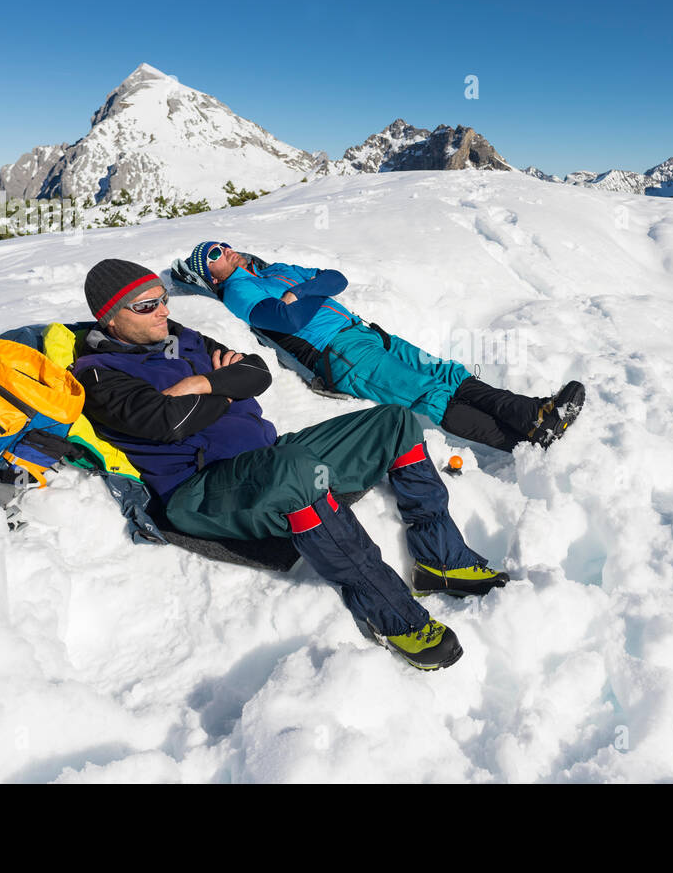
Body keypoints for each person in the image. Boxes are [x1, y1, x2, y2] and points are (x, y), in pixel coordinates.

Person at [71, 259, 510, 671]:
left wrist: (204, 383)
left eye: (163, 297)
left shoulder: (183, 337)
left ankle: (442, 561)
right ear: (110, 318)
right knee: (293, 471)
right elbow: (169, 422)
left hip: (269, 460)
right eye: (146, 305)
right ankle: (394, 616)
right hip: (201, 491)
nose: (162, 310)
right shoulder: (97, 372)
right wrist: (227, 386)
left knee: (393, 422)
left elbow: (257, 373)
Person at [181, 241, 585, 451]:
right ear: (211, 276)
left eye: (220, 244)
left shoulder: (277, 270)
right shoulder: (238, 291)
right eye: (213, 255)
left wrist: (301, 291)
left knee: (447, 371)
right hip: (340, 354)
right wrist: (305, 296)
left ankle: (532, 413)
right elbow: (290, 320)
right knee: (428, 392)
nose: (223, 250)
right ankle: (523, 443)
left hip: (366, 333)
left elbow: (335, 278)